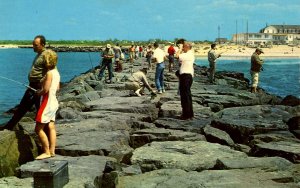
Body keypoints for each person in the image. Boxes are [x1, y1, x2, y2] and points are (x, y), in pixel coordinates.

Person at [2, 35, 48, 131]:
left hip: (38, 87)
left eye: (35, 45)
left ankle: (46, 131)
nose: (33, 47)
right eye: (33, 45)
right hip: (32, 85)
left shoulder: (46, 55)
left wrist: (43, 87)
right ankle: (9, 127)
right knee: (23, 108)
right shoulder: (39, 54)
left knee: (30, 109)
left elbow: (50, 72)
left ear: (42, 44)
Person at [35, 50, 60, 160]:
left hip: (47, 103)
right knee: (51, 126)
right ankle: (52, 150)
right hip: (54, 102)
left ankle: (46, 151)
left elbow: (45, 90)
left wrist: (38, 92)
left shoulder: (49, 73)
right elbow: (57, 88)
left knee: (38, 129)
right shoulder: (56, 72)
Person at [177, 41, 195, 120]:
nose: (183, 48)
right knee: (187, 95)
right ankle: (189, 113)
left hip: (186, 76)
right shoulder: (190, 54)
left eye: (184, 46)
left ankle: (186, 114)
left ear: (187, 47)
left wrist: (180, 49)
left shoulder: (187, 54)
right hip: (187, 76)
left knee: (185, 96)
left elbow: (176, 55)